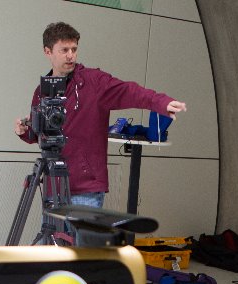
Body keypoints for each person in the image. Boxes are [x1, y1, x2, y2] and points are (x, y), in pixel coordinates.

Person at [14, 22, 187, 209]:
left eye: (74, 49)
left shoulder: (93, 82)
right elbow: (40, 134)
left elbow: (128, 91)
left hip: (85, 187)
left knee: (82, 240)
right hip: (53, 184)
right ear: (48, 52)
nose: (71, 55)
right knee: (52, 239)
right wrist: (25, 131)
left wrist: (161, 102)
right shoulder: (42, 91)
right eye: (64, 50)